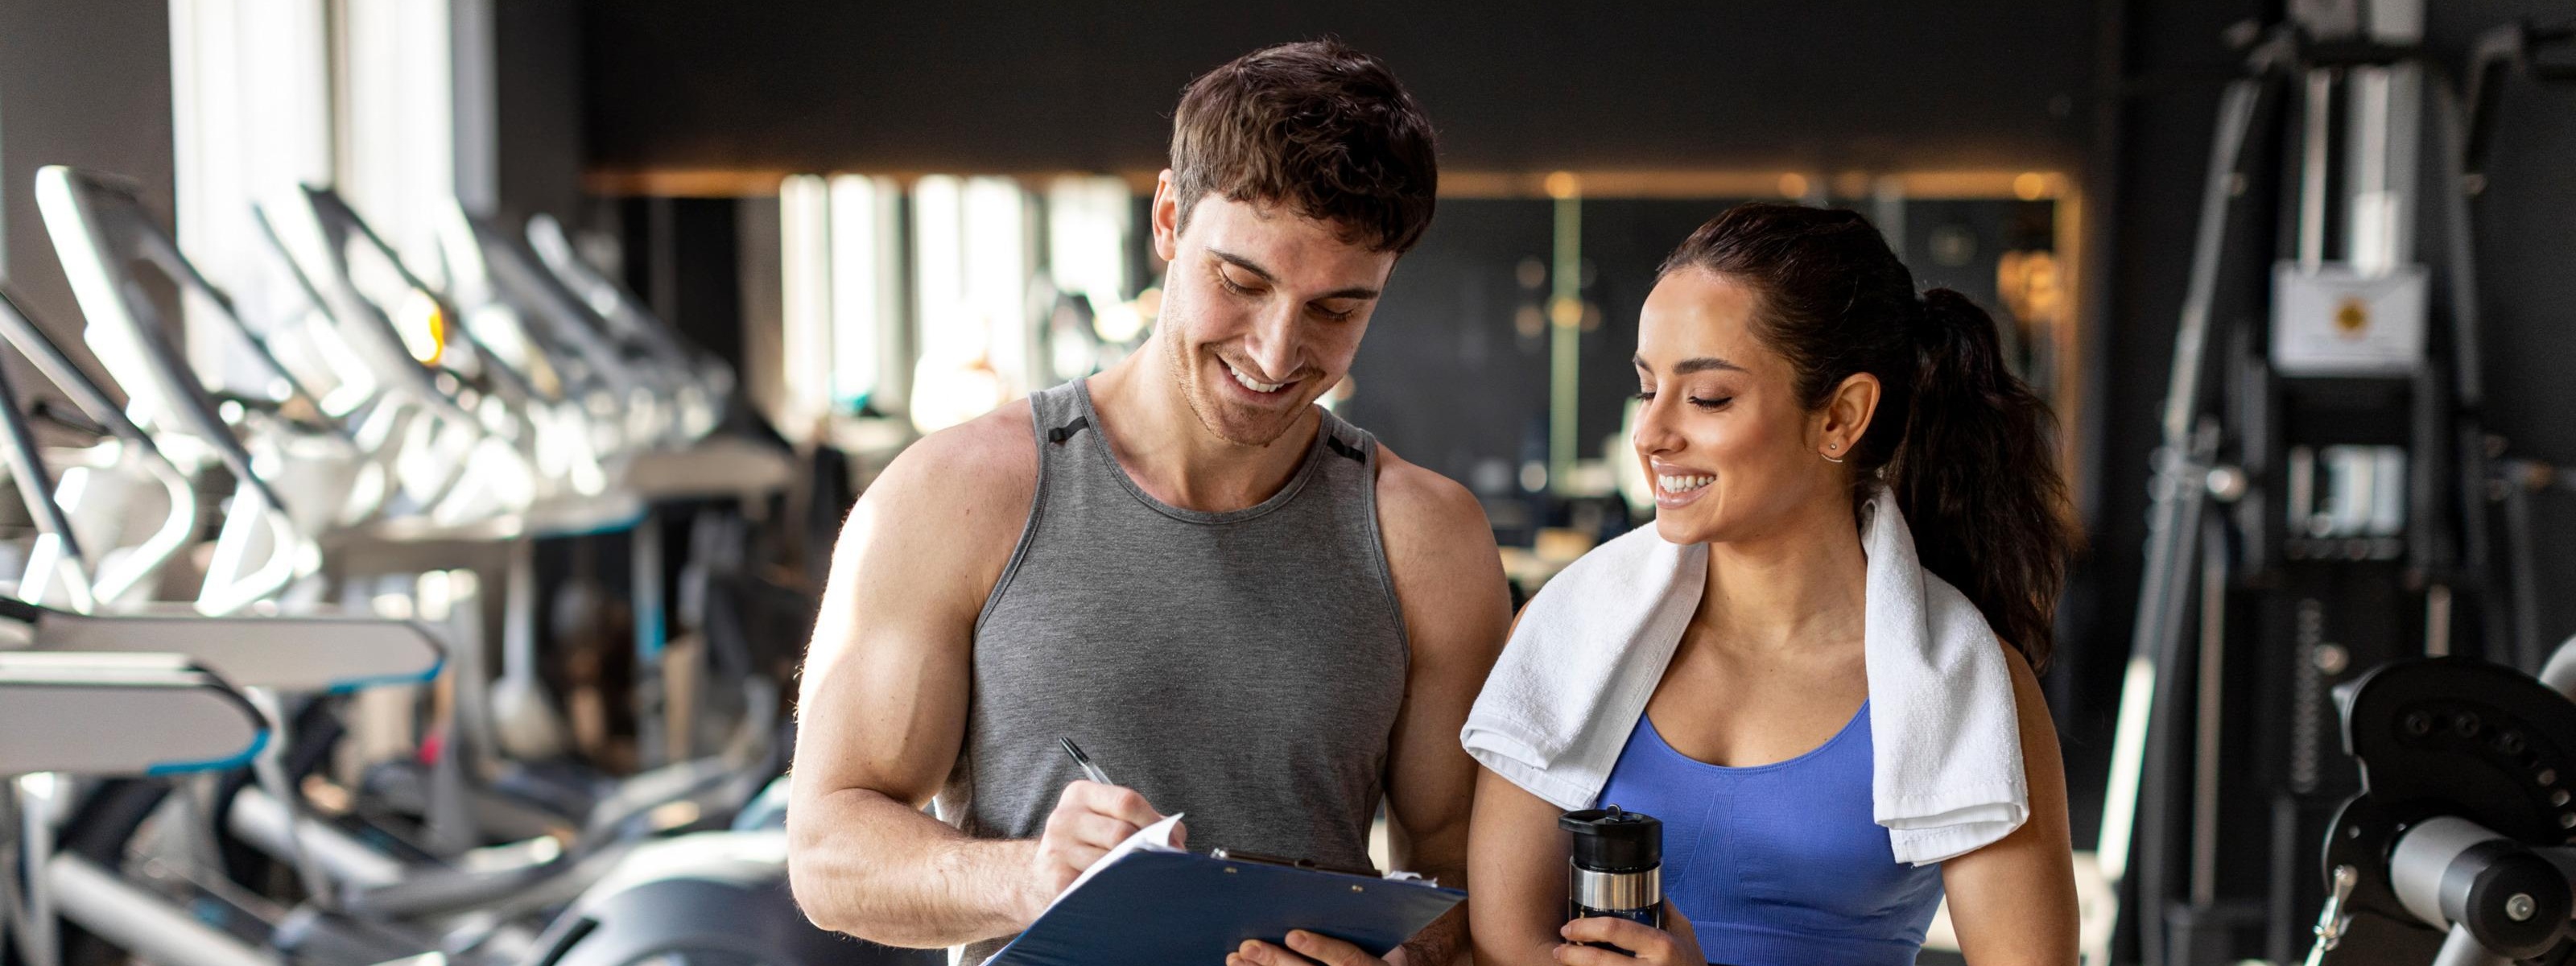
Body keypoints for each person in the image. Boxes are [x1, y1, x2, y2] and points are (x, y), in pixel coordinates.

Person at [785, 40, 1511, 966]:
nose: (1276, 352)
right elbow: (828, 852)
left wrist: (1402, 965)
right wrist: (1028, 879)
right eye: (1240, 282)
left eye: (1335, 310)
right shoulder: (955, 496)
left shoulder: (1426, 537)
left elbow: (1464, 876)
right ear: (1168, 218)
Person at [1463, 203, 2083, 966]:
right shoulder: (1566, 631)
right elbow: (1503, 949)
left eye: (1707, 397)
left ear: (1841, 417)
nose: (1651, 434)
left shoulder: (1968, 682)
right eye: (1647, 388)